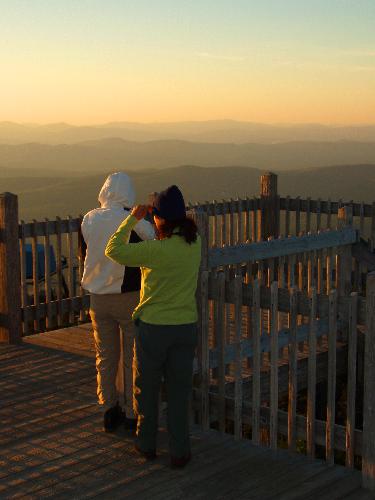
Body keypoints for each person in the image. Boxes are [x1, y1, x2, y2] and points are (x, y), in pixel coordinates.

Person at [105, 185, 201, 468]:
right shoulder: (196, 244)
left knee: (146, 391)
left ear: (160, 219)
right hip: (185, 328)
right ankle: (180, 451)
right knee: (179, 393)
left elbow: (114, 249)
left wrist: (132, 219)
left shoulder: (153, 251)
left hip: (153, 330)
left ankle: (146, 445)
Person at [80, 172, 155, 432]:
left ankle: (108, 407)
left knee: (105, 355)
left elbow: (85, 251)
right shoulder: (130, 220)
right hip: (128, 296)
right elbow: (153, 239)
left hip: (97, 299)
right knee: (132, 355)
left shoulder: (89, 219)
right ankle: (133, 412)